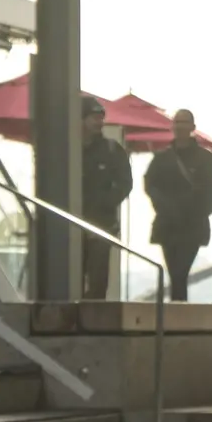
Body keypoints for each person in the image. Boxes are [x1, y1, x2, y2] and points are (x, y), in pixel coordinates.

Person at [144, 105, 212, 300]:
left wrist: (190, 208)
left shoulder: (205, 158)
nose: (180, 126)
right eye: (177, 122)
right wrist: (163, 205)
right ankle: (177, 308)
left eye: (184, 122)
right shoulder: (162, 158)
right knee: (175, 273)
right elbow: (149, 184)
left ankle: (176, 309)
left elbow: (209, 190)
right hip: (167, 223)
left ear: (193, 127)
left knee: (180, 272)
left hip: (192, 224)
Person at [80, 96, 135, 301]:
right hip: (70, 225)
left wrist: (104, 203)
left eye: (101, 117)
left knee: (98, 282)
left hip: (102, 226)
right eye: (94, 117)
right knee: (70, 281)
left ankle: (95, 316)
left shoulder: (112, 150)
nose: (99, 122)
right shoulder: (66, 150)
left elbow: (125, 183)